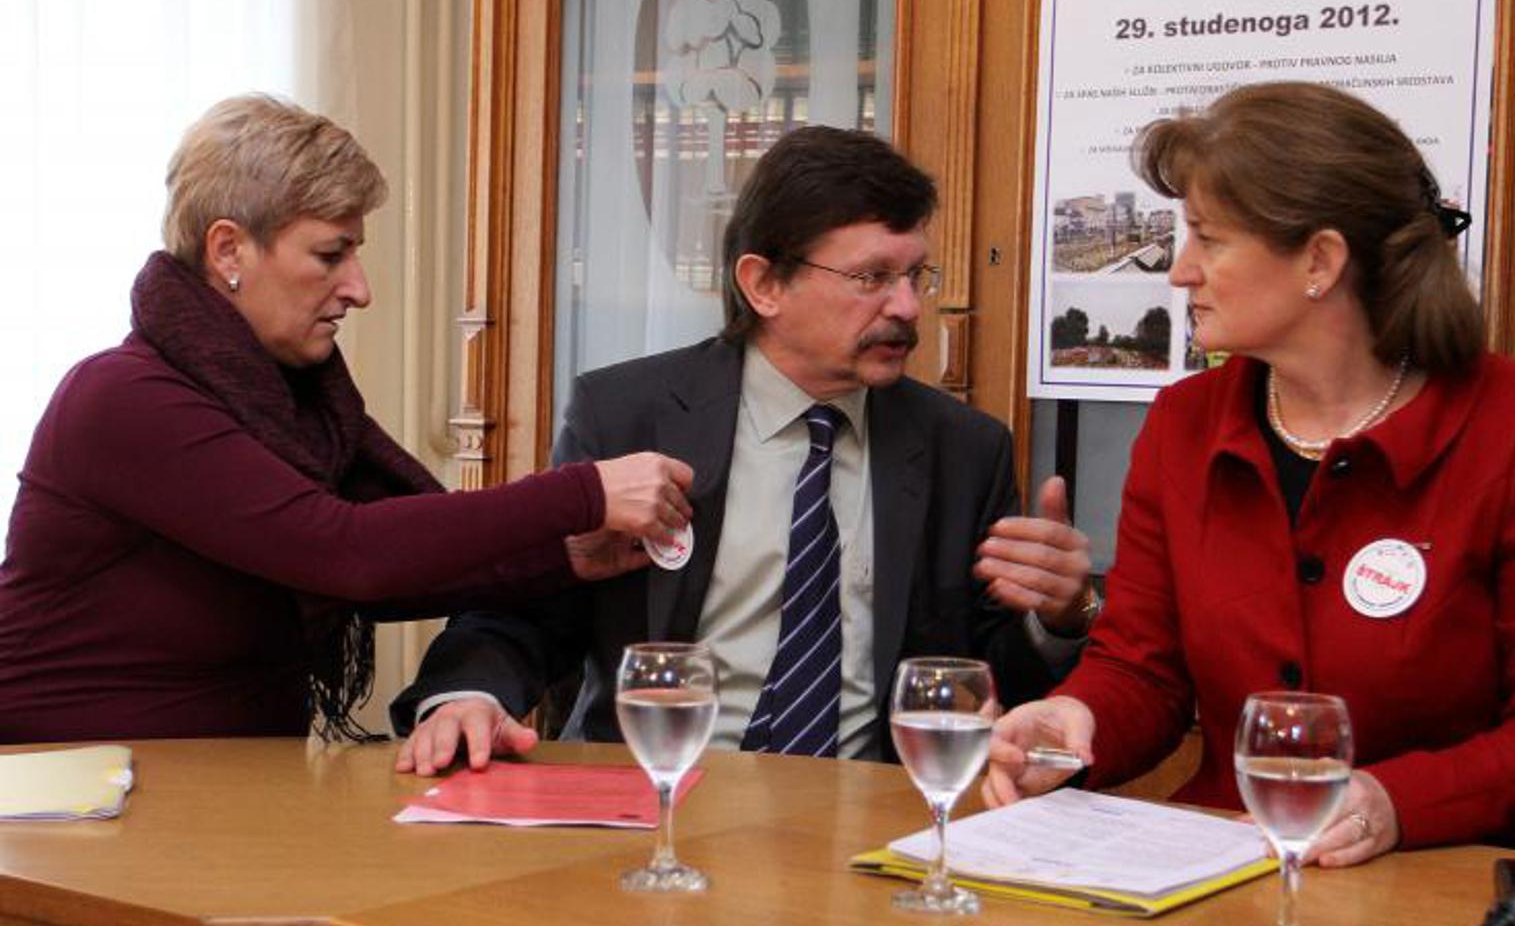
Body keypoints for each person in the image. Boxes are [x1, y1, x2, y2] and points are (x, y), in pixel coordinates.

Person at [985, 81, 1515, 865]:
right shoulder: (1184, 423)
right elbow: (1142, 671)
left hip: (1444, 887)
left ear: (1319, 261)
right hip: (1221, 874)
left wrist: (1394, 803)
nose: (1180, 272)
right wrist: (1074, 720)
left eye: (1207, 239)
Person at [394, 126, 1097, 773]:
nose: (908, 307)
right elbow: (526, 606)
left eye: (916, 276)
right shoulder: (629, 415)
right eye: (872, 278)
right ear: (763, 284)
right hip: (656, 794)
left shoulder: (962, 449)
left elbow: (983, 682)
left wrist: (1060, 619)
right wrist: (468, 696)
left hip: (867, 813)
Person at [0, 95, 691, 744]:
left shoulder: (297, 400)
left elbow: (399, 565)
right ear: (228, 250)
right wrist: (583, 493)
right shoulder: (122, 397)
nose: (359, 289)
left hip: (224, 780)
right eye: (331, 255)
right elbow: (345, 552)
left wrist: (564, 554)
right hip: (63, 783)